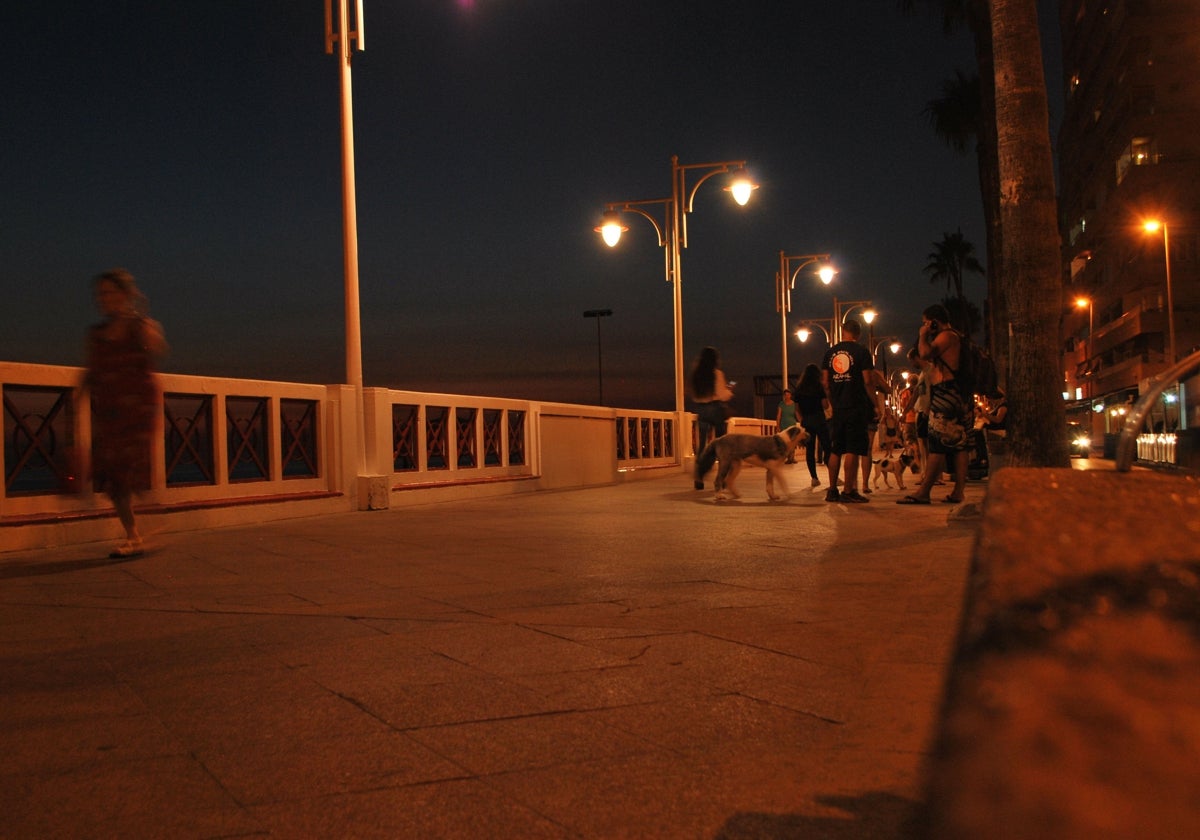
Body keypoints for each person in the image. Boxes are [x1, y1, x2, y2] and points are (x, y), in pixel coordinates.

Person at [82, 269, 167, 557]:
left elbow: (156, 350)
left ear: (125, 294)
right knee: (114, 477)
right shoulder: (96, 335)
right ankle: (133, 535)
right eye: (100, 294)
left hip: (138, 410)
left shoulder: (140, 327)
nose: (104, 299)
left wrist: (142, 323)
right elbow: (92, 371)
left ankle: (143, 527)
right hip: (109, 412)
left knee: (132, 470)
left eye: (110, 292)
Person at [897, 304, 972, 505]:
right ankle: (958, 491)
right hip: (957, 394)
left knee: (938, 444)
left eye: (926, 322)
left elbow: (925, 354)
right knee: (959, 445)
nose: (924, 326)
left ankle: (924, 492)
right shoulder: (957, 336)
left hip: (946, 394)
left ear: (933, 321)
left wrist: (923, 335)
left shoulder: (947, 336)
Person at [821, 318, 873, 503]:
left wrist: (832, 401)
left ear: (843, 332)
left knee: (836, 449)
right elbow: (867, 380)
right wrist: (874, 401)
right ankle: (849, 491)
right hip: (856, 405)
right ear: (858, 334)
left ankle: (832, 489)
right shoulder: (861, 352)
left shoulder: (830, 353)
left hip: (839, 408)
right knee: (852, 448)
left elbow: (825, 383)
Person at [690, 346, 733, 489]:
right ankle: (722, 478)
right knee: (721, 445)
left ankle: (699, 476)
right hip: (715, 410)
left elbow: (694, 396)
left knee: (702, 446)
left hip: (701, 411)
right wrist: (729, 392)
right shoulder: (717, 374)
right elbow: (722, 395)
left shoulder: (696, 375)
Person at [793, 364, 830, 487]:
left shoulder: (799, 389)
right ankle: (833, 476)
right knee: (827, 447)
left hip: (807, 421)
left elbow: (797, 409)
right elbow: (825, 406)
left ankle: (814, 478)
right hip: (819, 419)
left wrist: (802, 420)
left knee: (810, 450)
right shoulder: (818, 387)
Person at [776, 388, 801, 463]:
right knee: (784, 442)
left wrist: (801, 422)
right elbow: (779, 415)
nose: (787, 396)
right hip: (783, 424)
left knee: (792, 441)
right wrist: (778, 426)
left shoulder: (794, 404)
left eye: (788, 395)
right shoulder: (781, 404)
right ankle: (786, 458)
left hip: (792, 425)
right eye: (785, 395)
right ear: (784, 396)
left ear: (790, 395)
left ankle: (792, 458)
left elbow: (797, 414)